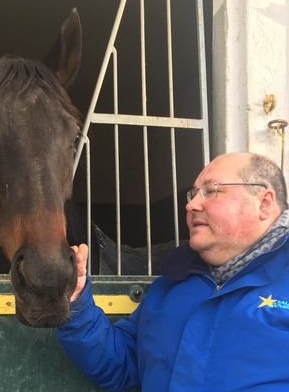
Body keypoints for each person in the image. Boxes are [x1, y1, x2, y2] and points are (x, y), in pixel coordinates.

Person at [57, 152, 289, 392]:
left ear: (264, 203)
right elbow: (123, 365)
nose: (191, 205)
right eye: (193, 194)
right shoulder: (173, 283)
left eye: (211, 191)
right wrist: (77, 303)